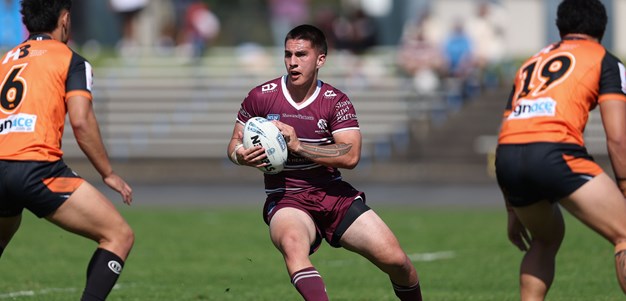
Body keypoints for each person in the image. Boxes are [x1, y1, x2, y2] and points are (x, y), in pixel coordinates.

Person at [227, 24, 422, 301]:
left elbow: (351, 155)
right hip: (287, 197)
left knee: (397, 262)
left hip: (333, 195)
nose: (293, 62)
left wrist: (297, 146)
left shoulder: (334, 101)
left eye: (302, 55)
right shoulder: (261, 96)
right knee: (294, 248)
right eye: (288, 54)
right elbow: (233, 144)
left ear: (320, 59)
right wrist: (240, 156)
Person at [0, 1, 134, 300]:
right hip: (36, 168)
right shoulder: (70, 60)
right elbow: (81, 122)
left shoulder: (6, 60)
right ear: (65, 19)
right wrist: (107, 173)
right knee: (118, 235)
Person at [494, 0, 626, 299]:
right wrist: (624, 185)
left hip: (508, 158)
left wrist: (512, 209)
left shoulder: (530, 62)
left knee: (545, 238)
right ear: (601, 29)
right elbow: (618, 137)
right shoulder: (604, 59)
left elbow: (508, 130)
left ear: (560, 27)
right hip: (554, 151)